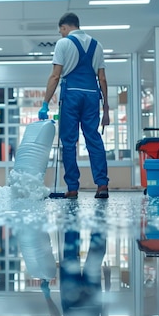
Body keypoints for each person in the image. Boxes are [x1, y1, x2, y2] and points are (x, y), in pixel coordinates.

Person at [38, 12, 110, 199]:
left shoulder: (63, 43)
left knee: (69, 142)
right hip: (92, 96)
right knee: (93, 138)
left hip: (71, 95)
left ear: (64, 27)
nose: (61, 34)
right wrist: (107, 109)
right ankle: (102, 185)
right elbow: (102, 78)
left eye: (61, 31)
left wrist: (45, 103)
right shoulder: (97, 45)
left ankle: (72, 187)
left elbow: (55, 76)